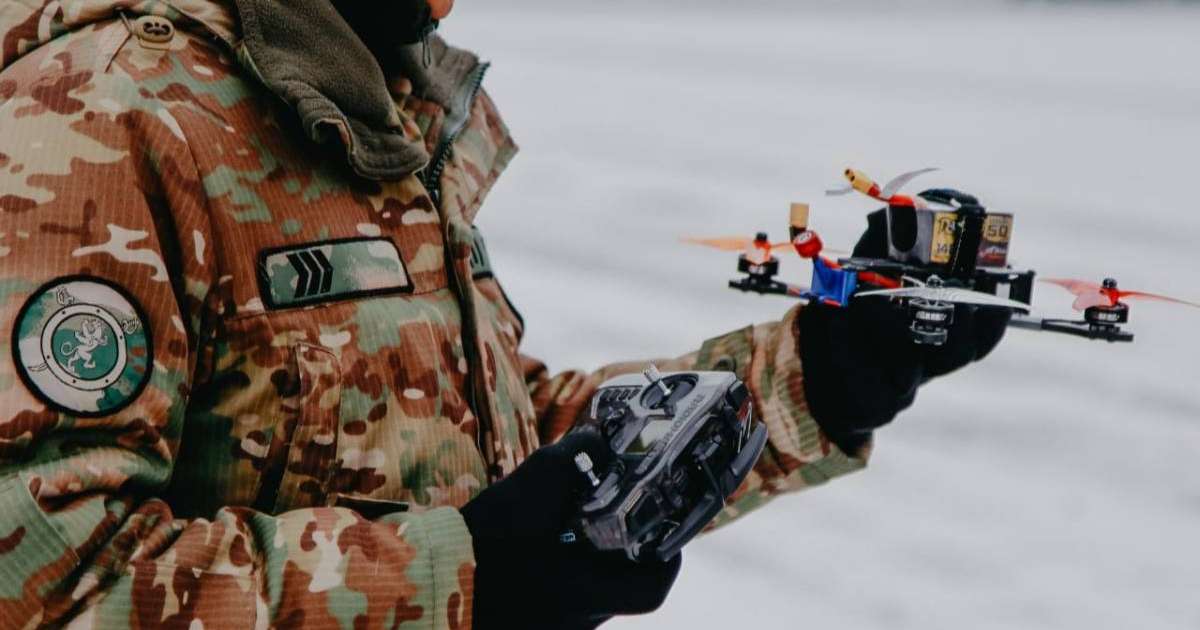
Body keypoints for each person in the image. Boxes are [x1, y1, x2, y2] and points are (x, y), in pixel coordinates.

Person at [0, 1, 1009, 628]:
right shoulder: (95, 117)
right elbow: (45, 585)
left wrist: (814, 377)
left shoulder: (371, 84)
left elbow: (466, 435)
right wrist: (469, 577)